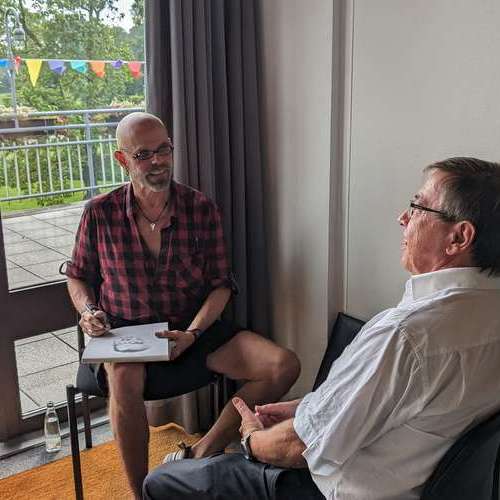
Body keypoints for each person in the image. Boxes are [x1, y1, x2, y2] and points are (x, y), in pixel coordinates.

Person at [143, 157, 500, 500]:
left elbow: (297, 447)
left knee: (161, 482)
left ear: (459, 238)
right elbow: (396, 403)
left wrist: (251, 438)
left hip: (330, 488)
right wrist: (309, 407)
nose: (403, 218)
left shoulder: (406, 336)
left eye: (418, 207)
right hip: (416, 480)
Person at [64, 112, 301, 499]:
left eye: (164, 150)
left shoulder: (200, 208)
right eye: (144, 154)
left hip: (193, 329)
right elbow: (77, 275)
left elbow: (221, 285)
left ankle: (201, 450)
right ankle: (142, 493)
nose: (158, 161)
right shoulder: (99, 213)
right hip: (127, 333)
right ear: (122, 160)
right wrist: (88, 311)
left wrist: (192, 333)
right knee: (123, 378)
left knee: (283, 364)